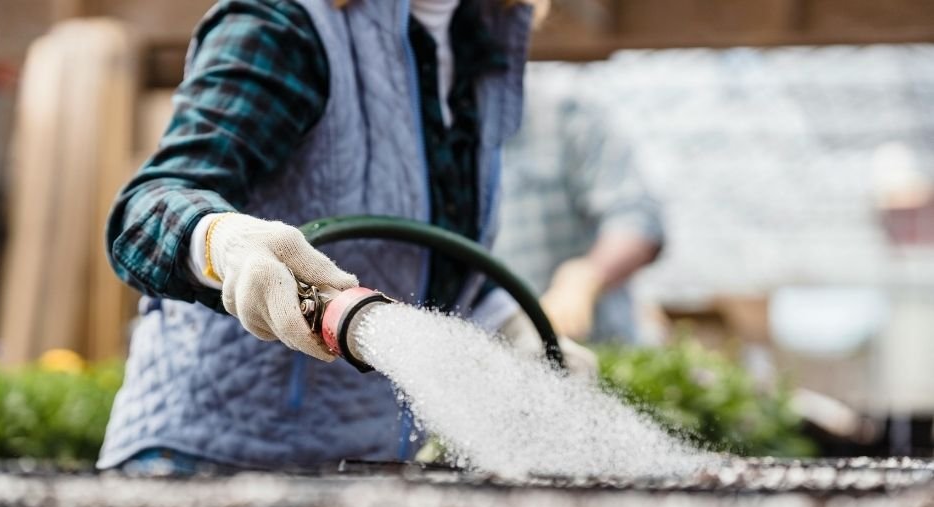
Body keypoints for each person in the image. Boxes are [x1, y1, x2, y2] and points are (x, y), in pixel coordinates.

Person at [97, 0, 569, 473]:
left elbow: (420, 254)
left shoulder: (483, 42)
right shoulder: (285, 24)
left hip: (366, 468)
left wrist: (504, 323)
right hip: (204, 461)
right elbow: (146, 208)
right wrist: (224, 243)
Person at [494, 62, 665, 346]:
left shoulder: (564, 106)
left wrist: (585, 277)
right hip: (487, 362)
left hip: (590, 348)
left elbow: (636, 217)